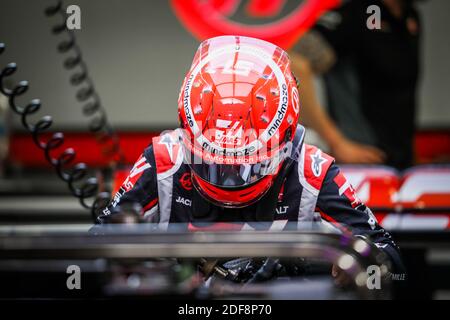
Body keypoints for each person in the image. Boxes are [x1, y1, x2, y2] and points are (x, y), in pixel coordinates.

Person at [100, 35, 404, 277]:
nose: (230, 179)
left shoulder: (310, 171)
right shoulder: (164, 161)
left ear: (285, 140)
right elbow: (94, 251)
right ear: (187, 135)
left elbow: (391, 261)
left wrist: (354, 261)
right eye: (213, 163)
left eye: (248, 164)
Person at [289, 0, 420, 169]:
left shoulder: (410, 16)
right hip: (362, 161)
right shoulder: (355, 13)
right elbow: (296, 63)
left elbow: (401, 94)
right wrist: (337, 143)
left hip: (401, 162)